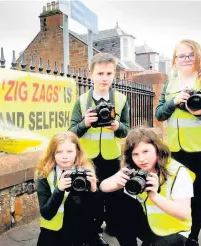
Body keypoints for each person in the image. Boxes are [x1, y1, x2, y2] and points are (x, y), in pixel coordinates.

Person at [68, 52, 130, 239]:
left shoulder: (121, 99)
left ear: (114, 75)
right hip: (88, 158)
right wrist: (85, 123)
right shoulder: (81, 101)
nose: (105, 78)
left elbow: (127, 130)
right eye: (100, 73)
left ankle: (112, 225)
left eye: (109, 74)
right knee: (90, 197)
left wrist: (118, 126)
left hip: (112, 157)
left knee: (113, 195)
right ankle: (93, 233)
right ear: (90, 74)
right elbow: (71, 132)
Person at [155, 39, 201, 246]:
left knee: (199, 194)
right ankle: (182, 231)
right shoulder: (171, 84)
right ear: (174, 60)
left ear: (198, 56)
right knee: (179, 192)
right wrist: (175, 101)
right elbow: (159, 114)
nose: (186, 59)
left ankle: (193, 236)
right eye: (181, 55)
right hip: (176, 150)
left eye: (190, 55)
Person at [99, 128, 194, 246]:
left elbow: (183, 214)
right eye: (135, 154)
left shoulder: (178, 171)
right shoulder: (134, 169)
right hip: (149, 225)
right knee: (117, 198)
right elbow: (103, 187)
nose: (141, 159)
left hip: (174, 230)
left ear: (157, 148)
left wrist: (154, 196)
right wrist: (117, 182)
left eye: (145, 152)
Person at [35, 131, 105, 246]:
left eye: (69, 151)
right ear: (53, 154)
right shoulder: (44, 174)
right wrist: (59, 190)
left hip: (78, 230)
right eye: (59, 152)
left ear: (77, 152)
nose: (65, 156)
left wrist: (94, 191)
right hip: (52, 230)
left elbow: (96, 214)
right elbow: (46, 213)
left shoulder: (86, 171)